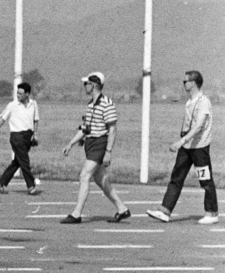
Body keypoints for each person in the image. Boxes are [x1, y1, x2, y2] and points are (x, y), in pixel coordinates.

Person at [147, 70, 217, 225]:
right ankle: (165, 210)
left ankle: (211, 212)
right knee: (176, 176)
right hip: (187, 147)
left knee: (205, 179)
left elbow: (198, 126)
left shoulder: (203, 102)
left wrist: (181, 141)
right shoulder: (189, 102)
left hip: (199, 147)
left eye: (186, 81)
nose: (184, 84)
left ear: (193, 83)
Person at [60, 71, 131, 224]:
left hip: (100, 144)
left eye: (86, 83)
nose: (84, 86)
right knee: (101, 180)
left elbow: (112, 129)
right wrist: (71, 143)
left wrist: (108, 152)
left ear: (93, 85)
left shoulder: (107, 103)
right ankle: (122, 208)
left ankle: (76, 213)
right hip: (91, 144)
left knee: (84, 175)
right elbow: (85, 128)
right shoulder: (91, 105)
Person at [0, 81, 43, 195]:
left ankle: (0, 183)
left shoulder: (34, 104)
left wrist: (35, 134)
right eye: (17, 93)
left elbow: (35, 120)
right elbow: (2, 119)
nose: (18, 96)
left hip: (28, 136)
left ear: (27, 94)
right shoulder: (12, 105)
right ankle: (31, 186)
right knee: (25, 161)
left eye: (21, 94)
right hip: (17, 136)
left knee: (17, 162)